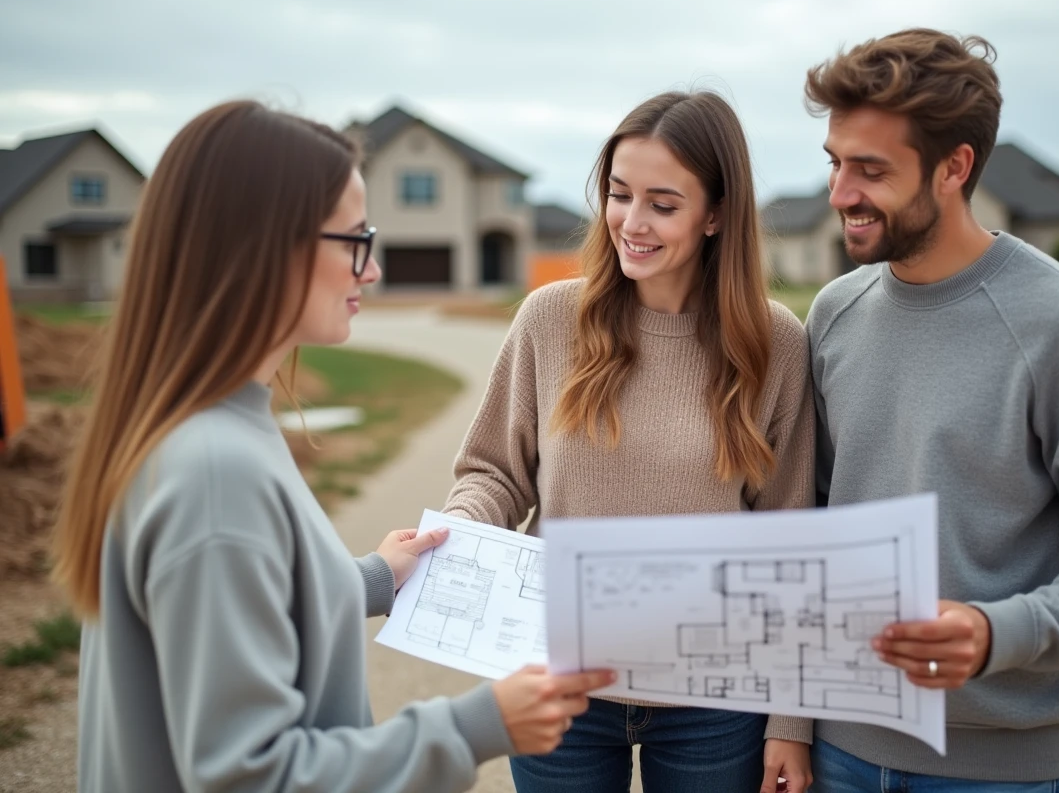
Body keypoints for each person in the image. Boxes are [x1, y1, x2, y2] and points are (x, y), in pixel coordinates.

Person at [53, 100, 614, 793]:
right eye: (355, 240)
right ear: (264, 248)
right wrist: (477, 725)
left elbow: (251, 607)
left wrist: (374, 577)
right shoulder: (213, 472)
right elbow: (249, 775)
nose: (371, 270)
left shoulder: (207, 427)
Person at [802, 28, 1059, 791]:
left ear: (955, 167)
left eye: (870, 170)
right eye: (836, 163)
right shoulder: (832, 314)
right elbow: (805, 520)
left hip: (1001, 768)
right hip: (839, 749)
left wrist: (993, 633)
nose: (841, 193)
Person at [441, 90, 816, 793]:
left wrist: (791, 721)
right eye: (618, 195)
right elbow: (495, 472)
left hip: (716, 698)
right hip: (558, 682)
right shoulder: (550, 318)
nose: (631, 223)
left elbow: (789, 541)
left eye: (662, 204)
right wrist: (461, 530)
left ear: (717, 214)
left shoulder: (775, 343)